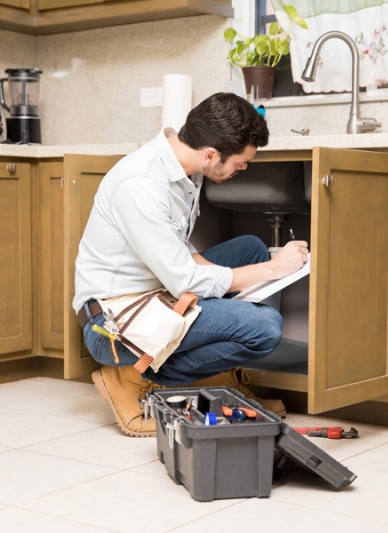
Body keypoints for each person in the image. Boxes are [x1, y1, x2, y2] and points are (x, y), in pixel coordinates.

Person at [74, 92, 309, 437]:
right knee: (265, 328)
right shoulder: (140, 184)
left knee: (251, 248)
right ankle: (132, 375)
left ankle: (216, 380)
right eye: (239, 163)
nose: (242, 169)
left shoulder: (187, 168)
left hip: (157, 290)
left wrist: (263, 265)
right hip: (114, 323)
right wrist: (275, 270)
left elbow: (179, 254)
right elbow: (185, 280)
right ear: (211, 154)